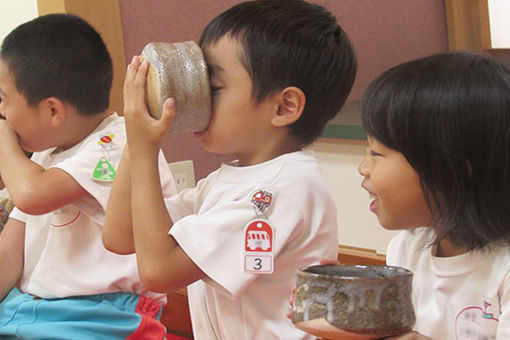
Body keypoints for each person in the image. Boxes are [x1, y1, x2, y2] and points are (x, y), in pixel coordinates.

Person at [103, 0, 357, 338]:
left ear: (283, 106)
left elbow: (159, 271)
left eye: (213, 88)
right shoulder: (228, 182)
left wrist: (147, 149)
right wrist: (137, 140)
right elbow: (120, 236)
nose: (200, 101)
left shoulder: (281, 191)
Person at [0, 14, 176, 339]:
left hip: (104, 314)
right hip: (31, 309)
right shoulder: (45, 155)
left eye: (5, 101)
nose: (3, 114)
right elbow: (10, 252)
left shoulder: (120, 142)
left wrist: (2, 141)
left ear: (53, 110)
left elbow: (31, 195)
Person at [358, 52, 510, 339]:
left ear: (450, 169)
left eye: (377, 153)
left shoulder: (503, 270)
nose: (363, 168)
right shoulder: (406, 249)